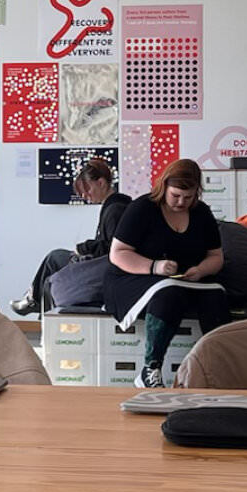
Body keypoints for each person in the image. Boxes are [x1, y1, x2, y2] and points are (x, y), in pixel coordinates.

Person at [101, 159, 230, 388]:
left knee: (216, 296)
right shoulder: (142, 208)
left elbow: (216, 256)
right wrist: (154, 267)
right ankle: (150, 368)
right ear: (164, 188)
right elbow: (118, 253)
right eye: (176, 196)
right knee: (169, 294)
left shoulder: (201, 213)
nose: (182, 202)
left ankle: (221, 367)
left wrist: (201, 270)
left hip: (183, 279)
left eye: (188, 197)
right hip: (133, 277)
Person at [10, 157, 129, 316]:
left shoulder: (115, 210)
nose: (85, 196)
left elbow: (111, 248)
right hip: (103, 263)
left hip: (104, 267)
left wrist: (83, 248)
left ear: (101, 183)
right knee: (55, 260)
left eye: (87, 190)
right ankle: (35, 302)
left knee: (54, 258)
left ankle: (34, 301)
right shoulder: (115, 206)